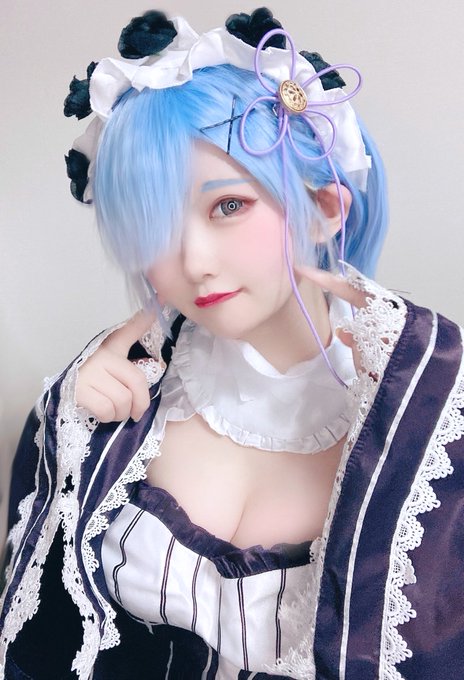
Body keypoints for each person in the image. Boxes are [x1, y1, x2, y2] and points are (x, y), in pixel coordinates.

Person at [1, 7, 463, 680]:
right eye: (156, 225)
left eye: (228, 206)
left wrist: (425, 388)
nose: (193, 261)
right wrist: (72, 435)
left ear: (324, 210)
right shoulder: (104, 405)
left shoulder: (432, 410)